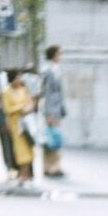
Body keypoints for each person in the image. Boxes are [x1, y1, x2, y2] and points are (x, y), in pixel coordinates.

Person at [1, 68, 36, 186]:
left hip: (26, 123)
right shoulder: (6, 91)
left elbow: (31, 103)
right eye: (17, 77)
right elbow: (7, 109)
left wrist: (27, 108)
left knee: (28, 147)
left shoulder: (24, 90)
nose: (19, 80)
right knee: (19, 150)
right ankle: (22, 174)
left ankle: (26, 174)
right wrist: (21, 107)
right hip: (15, 124)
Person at [40, 45, 66, 178]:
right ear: (54, 55)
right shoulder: (48, 70)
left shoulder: (56, 69)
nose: (60, 56)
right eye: (59, 54)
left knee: (55, 138)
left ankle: (54, 166)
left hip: (56, 109)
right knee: (50, 138)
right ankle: (50, 167)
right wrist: (49, 112)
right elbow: (47, 93)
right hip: (51, 109)